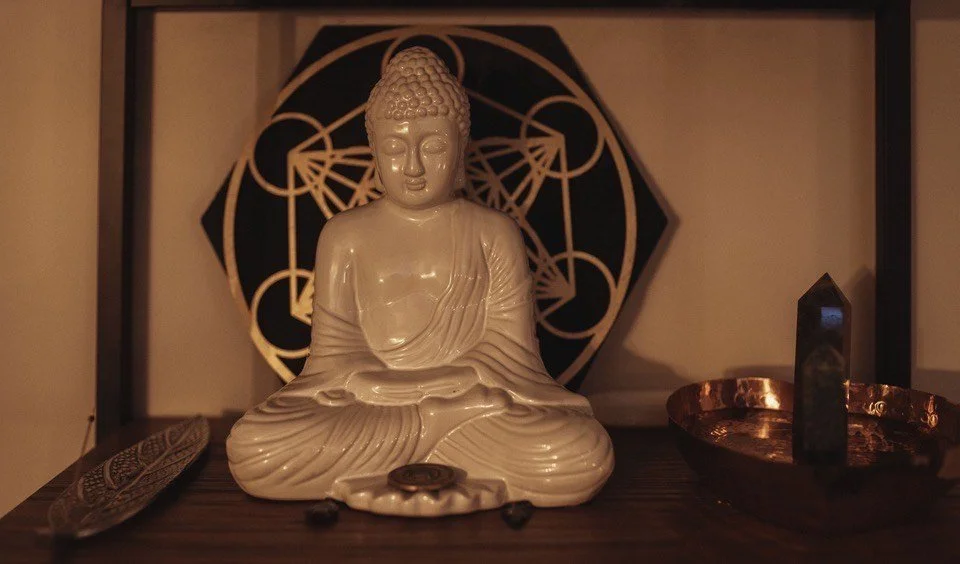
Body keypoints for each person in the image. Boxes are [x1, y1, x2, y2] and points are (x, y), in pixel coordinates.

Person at [227, 47, 613, 515]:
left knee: (579, 451)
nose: (412, 166)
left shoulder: (494, 232)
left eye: (432, 146)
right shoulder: (343, 236)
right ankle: (432, 429)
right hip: (376, 407)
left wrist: (446, 381)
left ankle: (422, 437)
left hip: (472, 403)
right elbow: (333, 356)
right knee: (256, 446)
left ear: (460, 148)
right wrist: (374, 386)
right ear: (374, 151)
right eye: (394, 148)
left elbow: (511, 356)